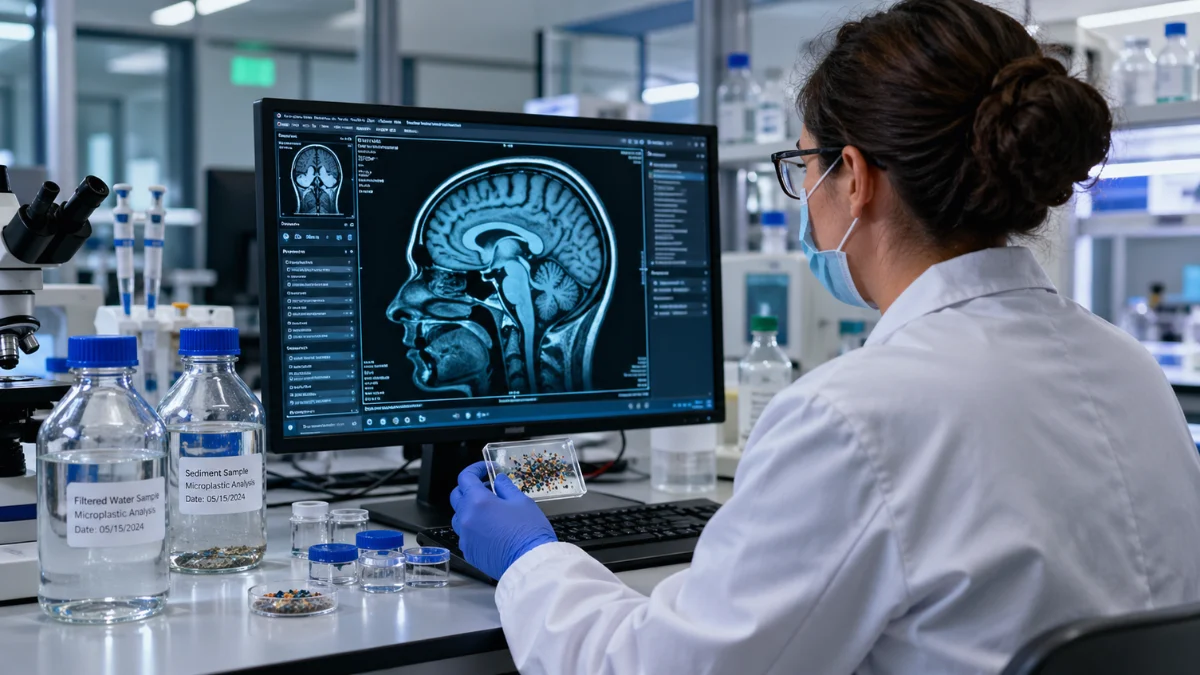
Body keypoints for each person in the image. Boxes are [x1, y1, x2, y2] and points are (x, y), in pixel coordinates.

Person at [449, 0, 1200, 672]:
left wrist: (531, 559)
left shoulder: (854, 418)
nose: (802, 200)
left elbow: (656, 666)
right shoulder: (1127, 367)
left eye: (801, 166)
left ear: (853, 175)